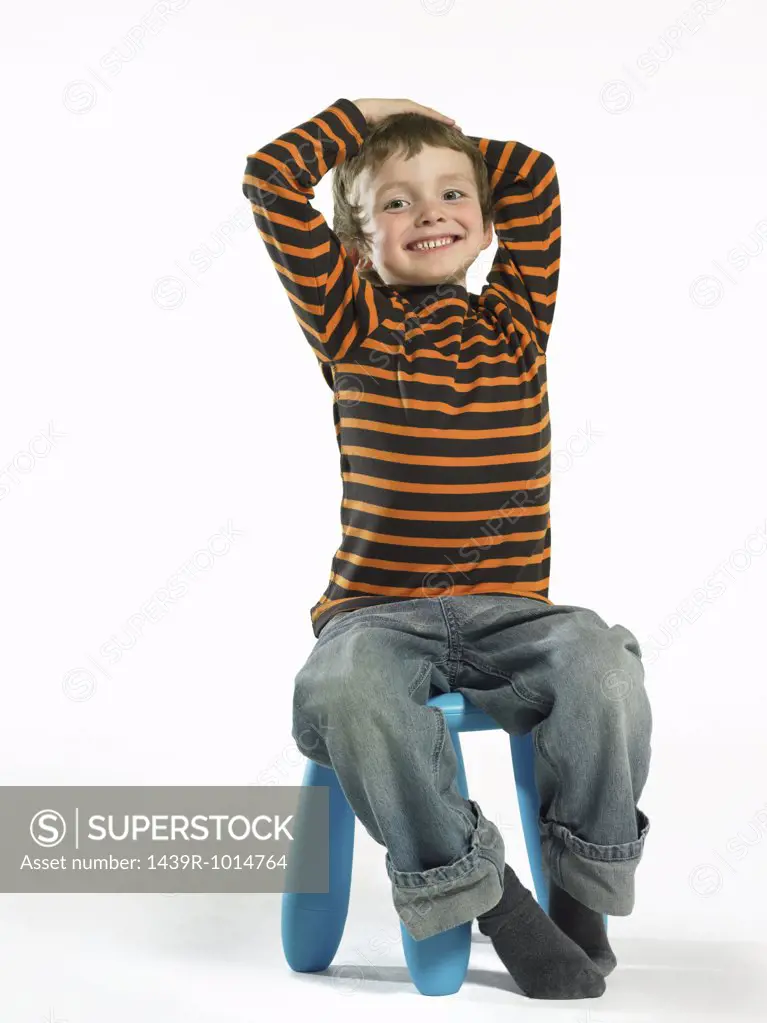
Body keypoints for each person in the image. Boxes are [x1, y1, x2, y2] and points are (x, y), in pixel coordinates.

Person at [242, 97, 652, 1000]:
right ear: (355, 244)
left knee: (603, 661)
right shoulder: (351, 322)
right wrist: (376, 114)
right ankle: (490, 899)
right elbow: (271, 181)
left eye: (451, 194)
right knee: (348, 691)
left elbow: (534, 176)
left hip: (516, 616)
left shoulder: (516, 318)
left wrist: (439, 137)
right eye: (396, 202)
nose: (429, 212)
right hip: (377, 620)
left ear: (484, 220)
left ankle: (578, 894)